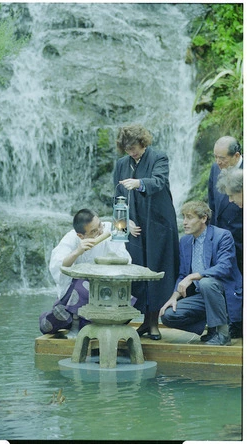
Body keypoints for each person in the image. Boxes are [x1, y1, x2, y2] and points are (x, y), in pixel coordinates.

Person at [113, 123, 179, 340]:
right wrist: (124, 224)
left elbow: (159, 182)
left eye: (135, 147)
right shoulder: (121, 164)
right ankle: (140, 322)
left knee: (155, 271)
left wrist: (139, 183)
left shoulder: (159, 157)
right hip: (134, 228)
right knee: (136, 272)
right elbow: (116, 198)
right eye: (128, 148)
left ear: (143, 142)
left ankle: (153, 324)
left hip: (158, 224)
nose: (132, 152)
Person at [160, 201, 243, 346]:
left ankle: (223, 334)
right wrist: (173, 297)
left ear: (203, 218)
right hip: (202, 296)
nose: (184, 222)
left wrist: (193, 276)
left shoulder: (222, 235)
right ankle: (212, 329)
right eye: (184, 217)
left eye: (189, 217)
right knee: (168, 315)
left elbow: (224, 267)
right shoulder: (185, 241)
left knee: (206, 282)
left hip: (224, 293)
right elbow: (182, 274)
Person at [39, 209, 131, 336]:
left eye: (100, 225)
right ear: (81, 236)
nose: (100, 231)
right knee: (81, 285)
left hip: (106, 290)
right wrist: (77, 252)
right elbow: (58, 265)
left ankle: (79, 321)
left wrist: (125, 226)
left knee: (125, 305)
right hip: (77, 294)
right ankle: (73, 320)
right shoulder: (71, 238)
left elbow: (125, 259)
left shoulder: (110, 229)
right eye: (93, 231)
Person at [208, 136, 243, 338]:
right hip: (223, 236)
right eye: (215, 157)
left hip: (241, 234)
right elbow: (211, 201)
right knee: (228, 280)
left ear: (236, 155)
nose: (218, 162)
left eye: (222, 158)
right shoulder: (215, 169)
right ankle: (232, 324)